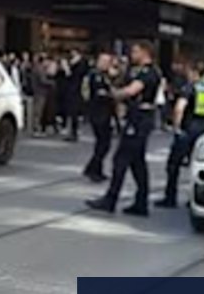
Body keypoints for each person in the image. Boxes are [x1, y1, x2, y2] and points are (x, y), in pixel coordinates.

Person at [85, 41, 161, 217]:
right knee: (137, 162)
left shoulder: (148, 72)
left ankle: (111, 199)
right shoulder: (140, 71)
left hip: (139, 119)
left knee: (121, 159)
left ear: (145, 52)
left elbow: (131, 91)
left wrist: (112, 94)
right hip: (138, 117)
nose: (132, 54)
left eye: (135, 51)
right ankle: (141, 202)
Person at [155, 62, 204, 209]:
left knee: (174, 164)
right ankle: (196, 198)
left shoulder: (193, 86)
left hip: (189, 129)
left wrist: (176, 127)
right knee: (199, 167)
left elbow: (179, 107)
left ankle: (170, 197)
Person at [81, 51, 115, 183]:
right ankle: (93, 169)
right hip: (98, 112)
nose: (106, 64)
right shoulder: (95, 75)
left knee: (103, 143)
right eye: (104, 61)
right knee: (103, 144)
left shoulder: (104, 75)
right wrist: (112, 95)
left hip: (105, 112)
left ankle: (95, 169)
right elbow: (100, 93)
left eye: (108, 62)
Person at [63, 49, 88, 142]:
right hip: (74, 89)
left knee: (73, 111)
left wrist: (67, 68)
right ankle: (72, 132)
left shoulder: (80, 64)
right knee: (72, 111)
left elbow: (71, 75)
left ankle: (74, 133)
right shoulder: (77, 63)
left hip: (75, 89)